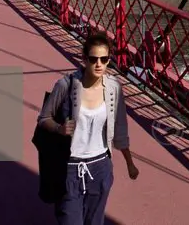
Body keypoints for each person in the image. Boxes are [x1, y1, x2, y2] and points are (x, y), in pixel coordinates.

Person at [37, 32, 139, 225]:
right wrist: (59, 128)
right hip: (70, 169)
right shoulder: (65, 85)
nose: (99, 64)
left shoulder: (113, 88)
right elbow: (44, 118)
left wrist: (129, 163)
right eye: (93, 59)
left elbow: (120, 130)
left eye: (104, 59)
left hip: (100, 167)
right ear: (84, 59)